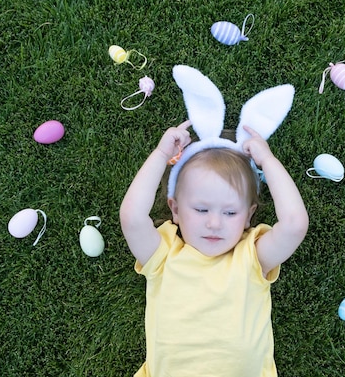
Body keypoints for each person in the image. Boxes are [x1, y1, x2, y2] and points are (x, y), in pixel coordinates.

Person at [120, 119, 309, 377]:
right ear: (175, 209)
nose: (214, 223)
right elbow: (132, 218)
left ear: (248, 216)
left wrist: (269, 161)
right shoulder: (164, 256)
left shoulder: (252, 257)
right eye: (201, 209)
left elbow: (295, 225)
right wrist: (161, 155)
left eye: (230, 212)